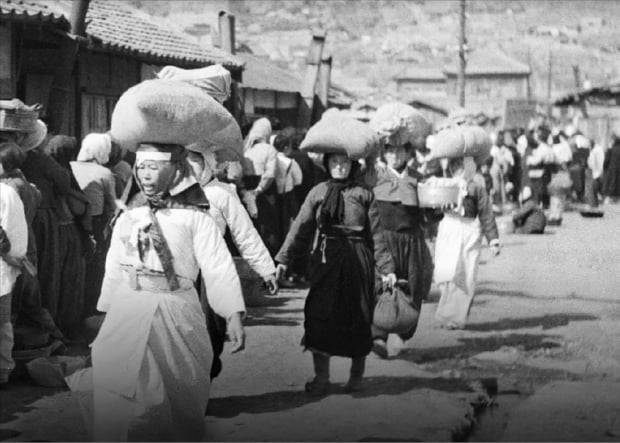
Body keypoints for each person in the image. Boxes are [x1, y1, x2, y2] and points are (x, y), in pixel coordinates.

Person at [67, 143, 246, 441]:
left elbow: (218, 266)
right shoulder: (129, 215)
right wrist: (106, 308)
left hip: (175, 310)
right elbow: (114, 263)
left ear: (176, 171)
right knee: (116, 390)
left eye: (154, 167)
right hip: (129, 306)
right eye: (142, 167)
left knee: (178, 392)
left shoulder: (196, 217)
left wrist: (233, 313)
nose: (145, 175)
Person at [275, 152, 396, 393]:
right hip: (326, 258)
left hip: (358, 259)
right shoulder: (318, 192)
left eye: (344, 162)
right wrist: (283, 258)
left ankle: (356, 377)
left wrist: (387, 269)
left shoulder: (364, 193)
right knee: (319, 313)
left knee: (358, 315)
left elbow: (378, 235)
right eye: (334, 162)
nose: (339, 167)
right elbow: (300, 227)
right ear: (327, 164)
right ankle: (321, 378)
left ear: (352, 165)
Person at [186, 142, 277, 379]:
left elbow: (244, 232)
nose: (190, 166)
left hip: (211, 273)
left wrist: (266, 268)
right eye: (184, 161)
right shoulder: (171, 192)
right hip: (180, 271)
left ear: (207, 163)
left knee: (209, 331)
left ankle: (203, 383)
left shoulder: (221, 193)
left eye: (195, 161)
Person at [0, 141, 63, 340]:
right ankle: (55, 337)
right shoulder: (24, 182)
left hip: (13, 249)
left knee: (15, 302)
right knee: (30, 299)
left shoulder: (11, 187)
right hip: (26, 244)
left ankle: (51, 339)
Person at [434, 156, 500, 330]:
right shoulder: (444, 183)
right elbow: (432, 206)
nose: (457, 169)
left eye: (461, 165)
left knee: (466, 274)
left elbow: (486, 212)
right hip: (448, 228)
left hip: (469, 231)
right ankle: (446, 312)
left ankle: (456, 318)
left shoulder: (476, 187)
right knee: (446, 272)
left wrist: (492, 239)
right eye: (453, 164)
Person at [70, 133, 117, 316]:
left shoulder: (71, 166)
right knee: (95, 268)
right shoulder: (104, 173)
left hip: (72, 222)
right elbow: (112, 204)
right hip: (95, 224)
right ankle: (91, 309)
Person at [0, 182, 28, 387]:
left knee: (2, 321)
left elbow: (14, 229)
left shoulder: (6, 194)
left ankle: (3, 371)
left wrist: (12, 257)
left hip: (2, 267)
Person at [242, 117, 280, 255]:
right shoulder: (269, 149)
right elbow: (270, 175)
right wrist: (258, 190)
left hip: (245, 190)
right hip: (263, 191)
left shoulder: (245, 149)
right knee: (267, 227)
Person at [602, 137, 620, 204]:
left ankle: (609, 199)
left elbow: (606, 161)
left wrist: (605, 168)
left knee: (611, 184)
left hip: (612, 170)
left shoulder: (611, 150)